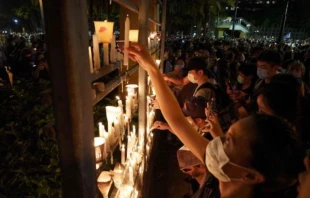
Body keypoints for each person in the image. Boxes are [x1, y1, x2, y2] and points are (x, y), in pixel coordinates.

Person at [127, 44, 305, 198]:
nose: (216, 142)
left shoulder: (222, 169)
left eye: (228, 141)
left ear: (249, 176)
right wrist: (152, 69)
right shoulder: (223, 169)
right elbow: (177, 120)